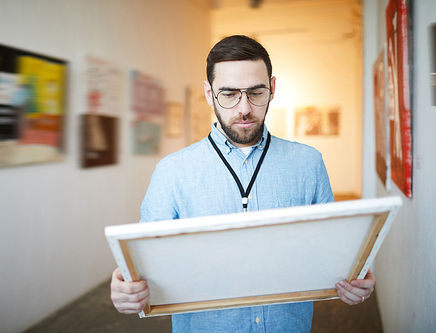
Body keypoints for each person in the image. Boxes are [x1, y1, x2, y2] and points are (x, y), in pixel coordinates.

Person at [110, 35, 376, 332]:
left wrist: (356, 279)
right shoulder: (172, 171)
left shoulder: (309, 163)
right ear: (209, 94)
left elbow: (333, 252)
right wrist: (126, 287)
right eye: (229, 94)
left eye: (256, 92)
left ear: (272, 88)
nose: (244, 108)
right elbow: (145, 263)